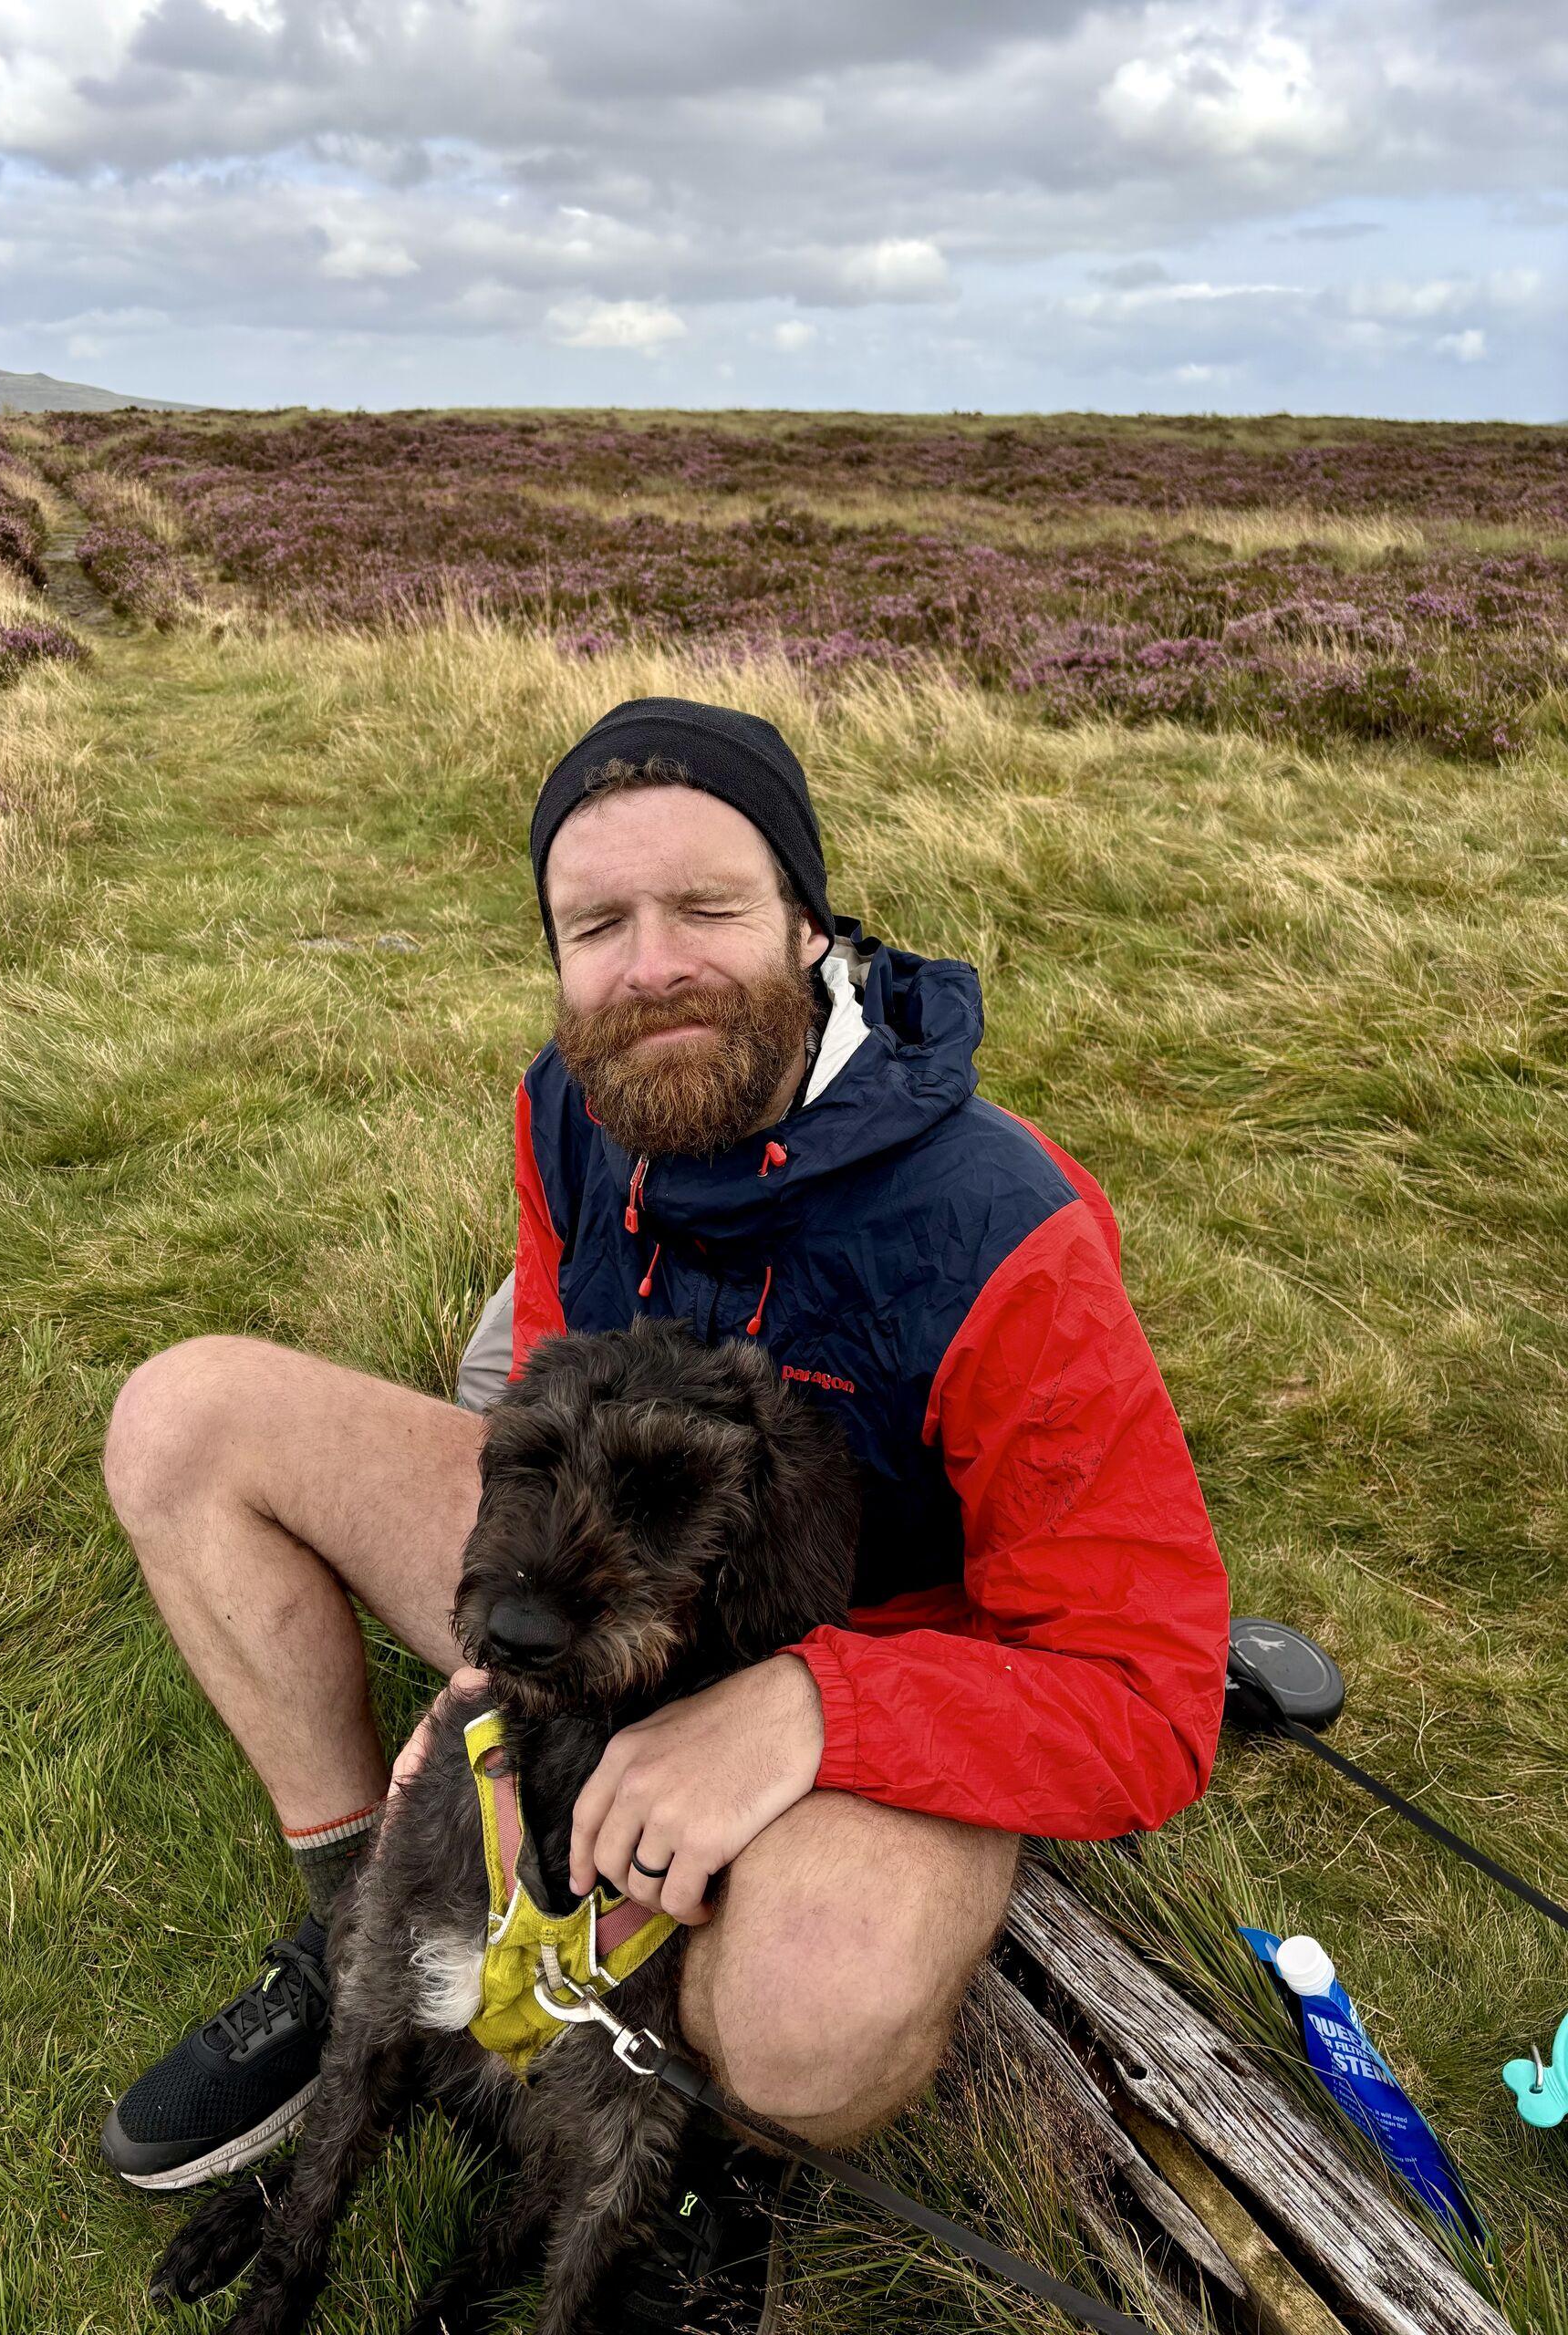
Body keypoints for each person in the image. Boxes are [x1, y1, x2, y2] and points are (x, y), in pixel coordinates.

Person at [99, 695, 1231, 2332]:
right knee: (182, 1419)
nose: (650, 969)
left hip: (874, 1672)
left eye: (704, 909)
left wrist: (809, 1705)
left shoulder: (1009, 1236)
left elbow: (1152, 1703)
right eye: (596, 926)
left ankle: (677, 2146)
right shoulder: (577, 1104)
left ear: (809, 924)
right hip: (617, 1600)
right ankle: (371, 1932)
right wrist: (488, 1670)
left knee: (810, 2013)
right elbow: (538, 1413)